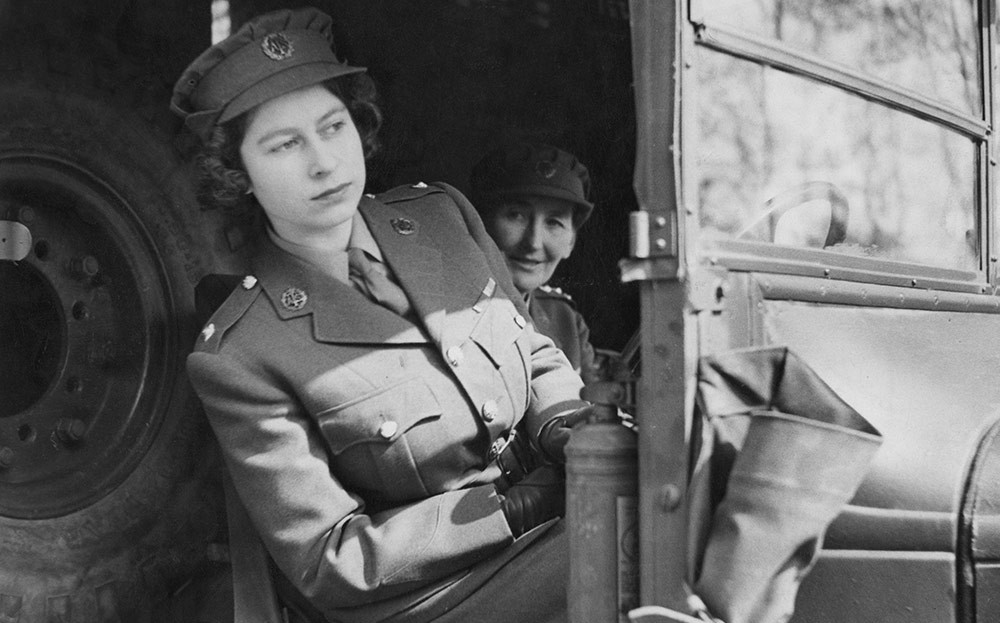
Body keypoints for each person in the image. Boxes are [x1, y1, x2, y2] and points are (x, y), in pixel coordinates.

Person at [171, 7, 591, 623]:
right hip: (435, 594)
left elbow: (530, 350)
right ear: (237, 174)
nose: (324, 161)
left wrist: (566, 428)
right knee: (640, 543)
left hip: (553, 527)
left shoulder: (443, 217)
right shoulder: (239, 355)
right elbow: (329, 559)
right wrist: (513, 509)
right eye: (285, 144)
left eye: (332, 127)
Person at [469, 143, 600, 384]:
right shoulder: (448, 312)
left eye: (554, 222)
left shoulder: (565, 321)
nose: (533, 242)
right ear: (480, 224)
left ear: (571, 242)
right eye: (516, 215)